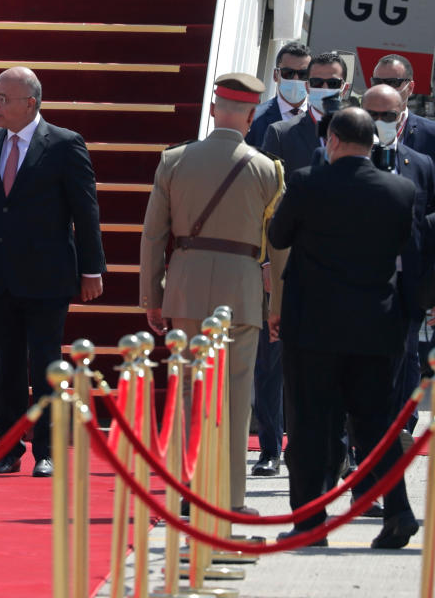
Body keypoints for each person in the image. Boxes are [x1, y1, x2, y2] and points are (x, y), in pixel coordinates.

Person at [269, 107, 418, 549]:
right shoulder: (400, 190)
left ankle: (311, 522)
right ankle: (398, 511)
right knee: (375, 425)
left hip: (313, 325)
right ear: (374, 143)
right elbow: (408, 254)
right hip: (376, 324)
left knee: (310, 423)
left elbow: (278, 236)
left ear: (331, 140)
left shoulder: (306, 182)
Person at [139, 73, 285, 513]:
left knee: (186, 393)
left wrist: (152, 296)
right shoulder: (267, 169)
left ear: (212, 109)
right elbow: (278, 247)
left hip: (184, 287)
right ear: (252, 114)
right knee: (238, 399)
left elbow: (152, 237)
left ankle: (187, 492)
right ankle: (230, 498)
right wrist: (277, 306)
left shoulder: (174, 161)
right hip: (241, 292)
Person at [0, 66, 106, 478]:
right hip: (0, 276)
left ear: (31, 103)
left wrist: (92, 268)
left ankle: (47, 449)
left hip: (48, 276)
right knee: (6, 364)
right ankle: (7, 447)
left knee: (46, 364)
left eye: (3, 98)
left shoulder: (63, 144)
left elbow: (85, 211)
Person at [245, 42, 311, 476]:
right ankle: (270, 444)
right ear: (276, 74)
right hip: (273, 256)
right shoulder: (260, 123)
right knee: (269, 361)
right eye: (290, 73)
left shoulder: (337, 122)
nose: (299, 82)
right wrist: (265, 259)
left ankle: (310, 443)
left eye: (305, 75)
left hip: (323, 254)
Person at [262, 51, 351, 178]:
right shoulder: (281, 134)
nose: (324, 88)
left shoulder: (359, 134)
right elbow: (268, 187)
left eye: (333, 83)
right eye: (317, 83)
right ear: (307, 86)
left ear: (345, 88)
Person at [245, 41, 311, 148]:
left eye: (303, 74)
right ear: (276, 75)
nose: (295, 79)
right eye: (288, 73)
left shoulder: (322, 120)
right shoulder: (254, 119)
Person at [371, 53, 435, 159]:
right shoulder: (358, 131)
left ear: (410, 88)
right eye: (377, 82)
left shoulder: (431, 134)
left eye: (392, 82)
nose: (383, 88)